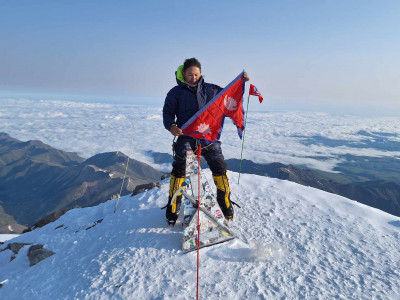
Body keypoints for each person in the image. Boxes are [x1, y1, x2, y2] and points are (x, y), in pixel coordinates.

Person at [162, 58, 249, 225]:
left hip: (208, 136)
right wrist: (171, 126)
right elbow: (167, 114)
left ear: (200, 73)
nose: (193, 77)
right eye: (189, 74)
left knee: (219, 167)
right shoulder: (175, 93)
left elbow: (230, 95)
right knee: (180, 170)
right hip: (186, 136)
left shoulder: (211, 89)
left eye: (196, 74)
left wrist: (241, 82)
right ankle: (172, 209)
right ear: (183, 73)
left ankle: (225, 204)